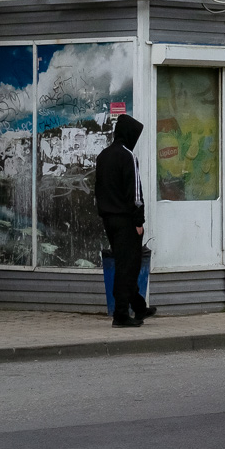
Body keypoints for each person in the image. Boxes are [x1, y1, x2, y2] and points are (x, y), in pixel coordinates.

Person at [95, 115, 156, 327]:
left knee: (124, 263)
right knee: (128, 266)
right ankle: (121, 314)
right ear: (130, 134)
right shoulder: (127, 156)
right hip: (126, 221)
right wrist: (139, 221)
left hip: (109, 219)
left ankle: (139, 307)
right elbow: (135, 194)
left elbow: (99, 188)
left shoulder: (103, 156)